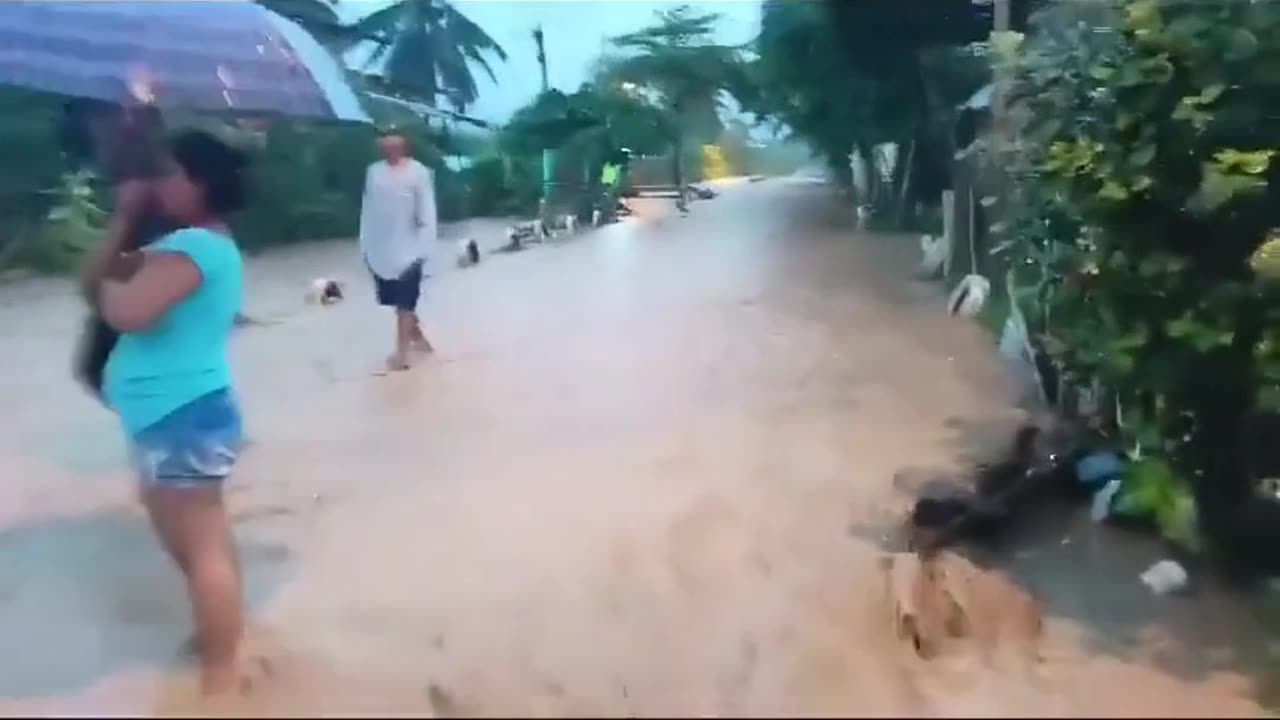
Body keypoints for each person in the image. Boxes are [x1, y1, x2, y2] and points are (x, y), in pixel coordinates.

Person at [79, 129, 249, 696]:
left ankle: (222, 678)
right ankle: (221, 640)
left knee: (201, 545)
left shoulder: (196, 248)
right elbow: (91, 283)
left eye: (169, 172)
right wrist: (123, 223)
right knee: (193, 544)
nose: (158, 183)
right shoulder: (182, 243)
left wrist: (115, 273)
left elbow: (126, 310)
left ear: (199, 182)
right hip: (167, 413)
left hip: (184, 412)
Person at [358, 127, 437, 371]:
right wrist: (364, 243)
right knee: (395, 301)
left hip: (411, 245)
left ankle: (402, 354)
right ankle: (420, 340)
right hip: (380, 247)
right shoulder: (373, 172)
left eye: (395, 145)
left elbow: (427, 210)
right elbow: (367, 209)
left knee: (406, 300)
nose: (390, 150)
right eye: (385, 146)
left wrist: (425, 246)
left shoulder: (418, 172)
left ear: (404, 146)